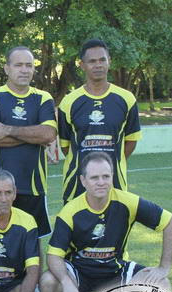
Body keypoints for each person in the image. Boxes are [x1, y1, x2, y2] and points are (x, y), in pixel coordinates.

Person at [40, 152, 172, 292]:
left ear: (112, 177)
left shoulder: (128, 202)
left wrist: (164, 267)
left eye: (106, 176)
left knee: (161, 286)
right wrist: (67, 283)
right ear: (83, 181)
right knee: (48, 283)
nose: (101, 182)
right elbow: (53, 255)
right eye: (94, 177)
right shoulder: (70, 211)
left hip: (116, 272)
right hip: (80, 274)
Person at [0, 46, 58, 292]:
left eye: (29, 65)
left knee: (33, 243)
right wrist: (29, 135)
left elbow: (48, 134)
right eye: (19, 65)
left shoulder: (43, 97)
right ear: (7, 68)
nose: (25, 70)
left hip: (33, 185)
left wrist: (8, 129)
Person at [58, 39, 142, 203]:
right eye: (92, 61)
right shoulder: (69, 102)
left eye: (102, 60)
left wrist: (111, 161)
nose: (98, 65)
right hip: (76, 184)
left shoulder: (126, 99)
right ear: (82, 65)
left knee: (116, 219)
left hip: (114, 182)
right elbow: (66, 146)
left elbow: (131, 141)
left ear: (109, 61)